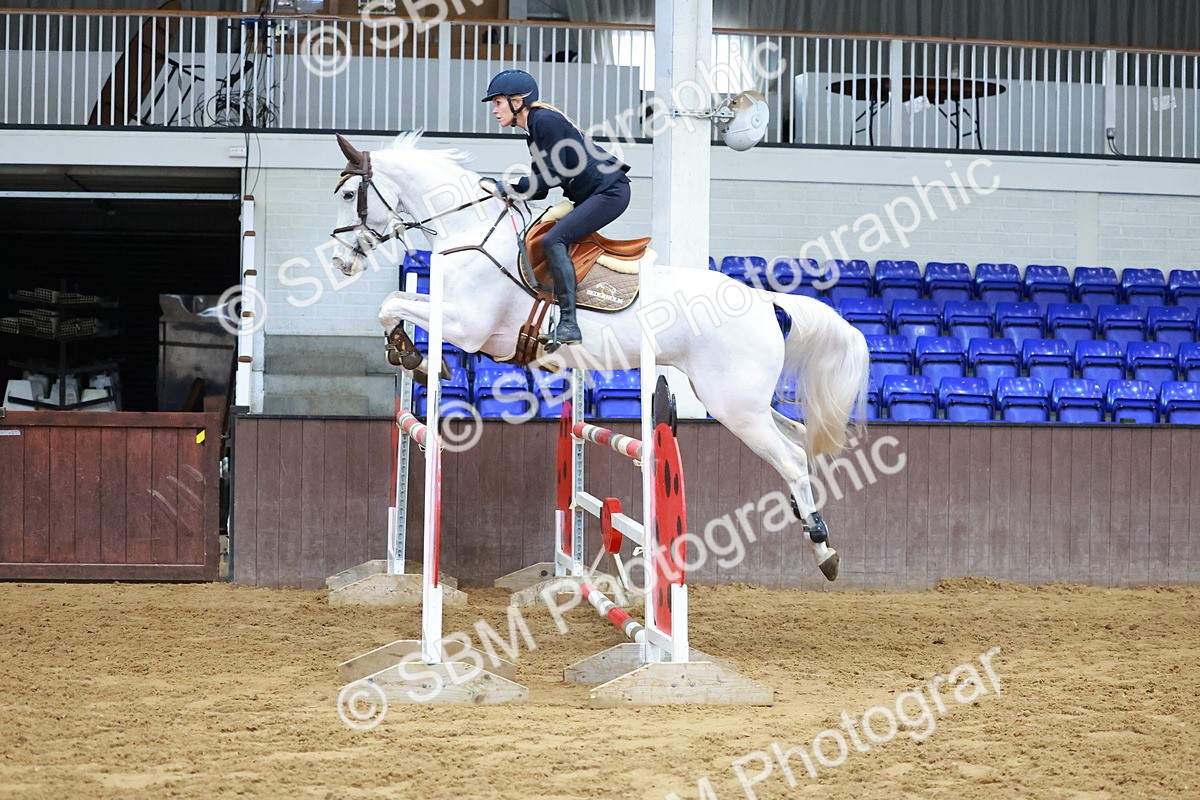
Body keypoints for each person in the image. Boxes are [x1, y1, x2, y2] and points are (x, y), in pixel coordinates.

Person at [481, 69, 631, 352]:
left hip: (610, 192)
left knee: (553, 239)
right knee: (543, 233)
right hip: (594, 195)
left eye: (498, 102)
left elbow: (553, 177)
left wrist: (510, 186)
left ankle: (570, 323)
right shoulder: (533, 132)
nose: (494, 110)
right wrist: (508, 191)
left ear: (517, 101)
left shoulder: (545, 121)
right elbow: (540, 189)